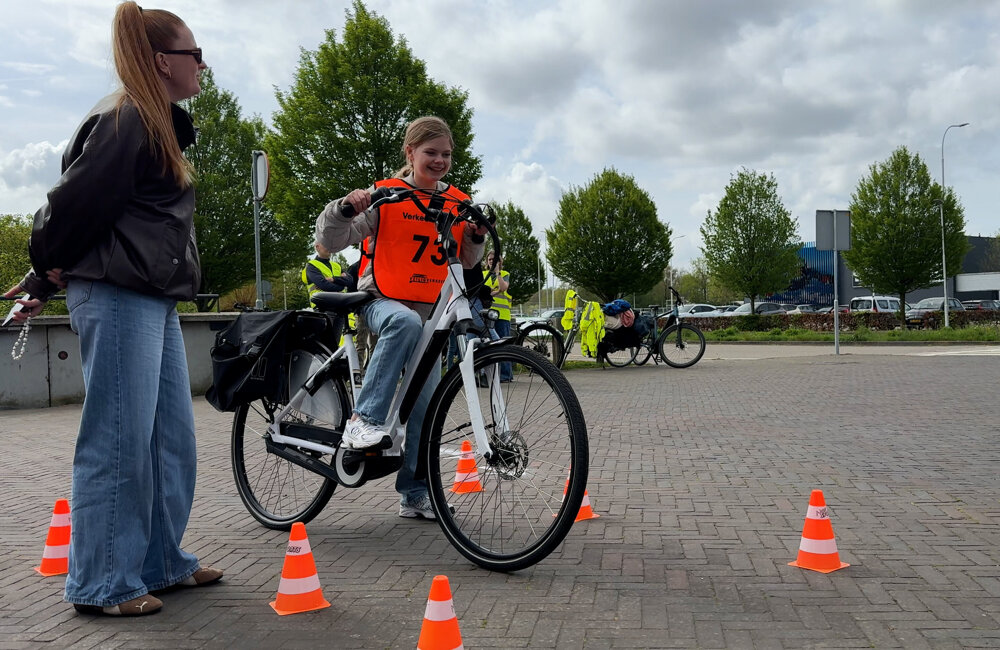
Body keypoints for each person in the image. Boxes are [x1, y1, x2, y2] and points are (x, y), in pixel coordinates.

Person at [3, 2, 220, 617]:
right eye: (195, 53)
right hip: (120, 294)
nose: (203, 65)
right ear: (162, 61)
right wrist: (45, 268)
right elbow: (72, 206)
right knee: (119, 440)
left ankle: (159, 561)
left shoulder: (152, 121)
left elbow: (109, 213)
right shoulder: (127, 119)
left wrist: (45, 274)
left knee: (171, 441)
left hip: (150, 295)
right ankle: (102, 582)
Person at [315, 116, 486, 520]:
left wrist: (477, 234)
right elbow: (330, 240)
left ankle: (414, 493)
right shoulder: (387, 196)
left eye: (446, 154)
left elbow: (466, 260)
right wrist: (344, 208)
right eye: (431, 152)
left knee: (426, 407)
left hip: (430, 315)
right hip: (381, 301)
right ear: (410, 153)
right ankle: (363, 419)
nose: (440, 160)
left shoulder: (456, 202)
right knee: (403, 322)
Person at [484, 251, 513, 381]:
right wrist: (496, 291)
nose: (491, 261)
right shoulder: (483, 274)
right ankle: (491, 374)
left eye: (494, 259)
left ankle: (505, 375)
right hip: (487, 315)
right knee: (488, 344)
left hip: (502, 315)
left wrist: (497, 273)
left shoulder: (505, 274)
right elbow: (483, 293)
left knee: (503, 345)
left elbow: (503, 287)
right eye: (489, 259)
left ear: (500, 262)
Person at [301, 241, 349, 308]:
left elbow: (350, 280)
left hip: (341, 305)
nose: (330, 247)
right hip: (322, 307)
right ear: (317, 247)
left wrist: (333, 279)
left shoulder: (337, 265)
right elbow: (324, 285)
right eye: (326, 244)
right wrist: (342, 286)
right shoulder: (311, 266)